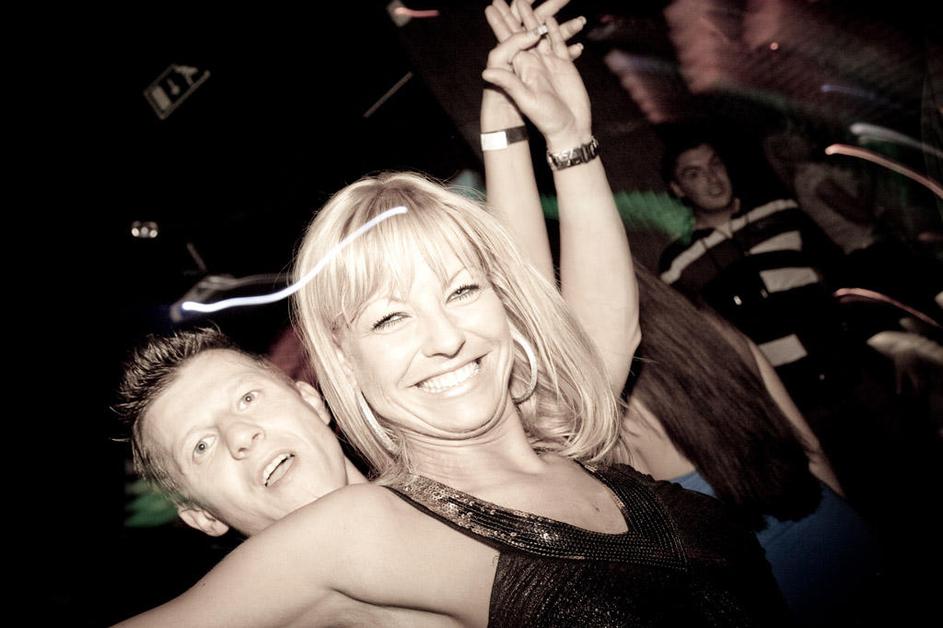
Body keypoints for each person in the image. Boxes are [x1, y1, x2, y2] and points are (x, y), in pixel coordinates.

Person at [113, 6, 788, 625]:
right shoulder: (333, 547)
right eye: (201, 445)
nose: (242, 436)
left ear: (309, 396)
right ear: (341, 364)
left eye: (247, 398)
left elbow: (530, 296)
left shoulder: (520, 441)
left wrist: (552, 135)